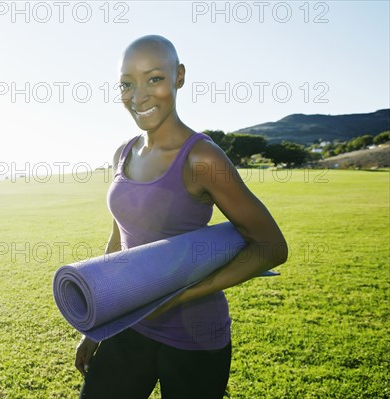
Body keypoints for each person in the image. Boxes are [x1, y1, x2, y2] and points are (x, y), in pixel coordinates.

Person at [74, 35, 288, 399]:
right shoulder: (123, 153)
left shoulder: (203, 158)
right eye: (127, 84)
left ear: (179, 76)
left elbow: (271, 247)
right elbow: (118, 241)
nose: (138, 96)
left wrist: (180, 296)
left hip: (195, 338)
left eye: (154, 78)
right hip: (129, 324)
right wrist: (95, 327)